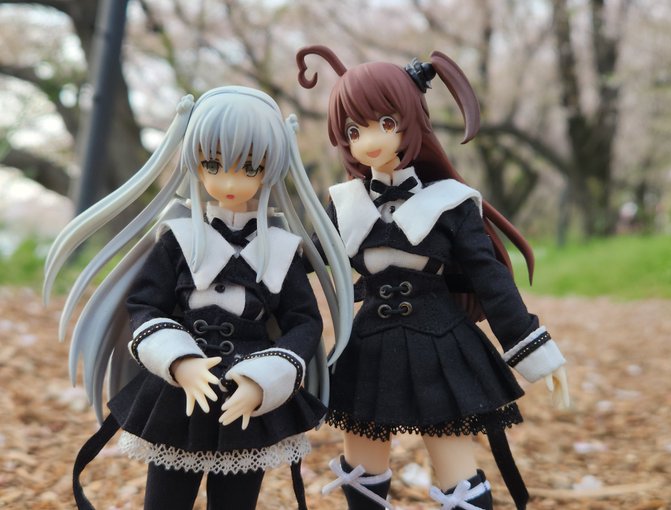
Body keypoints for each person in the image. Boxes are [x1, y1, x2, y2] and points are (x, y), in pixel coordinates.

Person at [43, 86, 353, 510]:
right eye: (212, 164)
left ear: (272, 167)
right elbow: (145, 305)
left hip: (247, 399)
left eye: (249, 166)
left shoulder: (282, 250)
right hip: (179, 396)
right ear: (195, 162)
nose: (228, 181)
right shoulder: (179, 239)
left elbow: (304, 322)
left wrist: (266, 378)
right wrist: (178, 360)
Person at [296, 46, 570, 510]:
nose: (370, 140)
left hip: (439, 345)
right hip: (368, 347)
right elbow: (303, 260)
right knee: (361, 462)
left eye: (386, 122)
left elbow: (491, 282)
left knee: (454, 467)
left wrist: (536, 351)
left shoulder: (451, 202)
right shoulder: (344, 205)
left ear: (411, 120)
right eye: (354, 130)